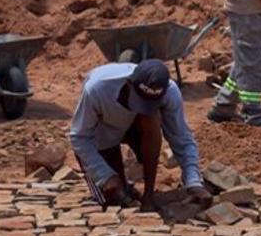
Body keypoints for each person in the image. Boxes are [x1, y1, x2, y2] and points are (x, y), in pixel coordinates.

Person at [69, 59, 212, 211]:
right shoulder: (98, 89)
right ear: (129, 84)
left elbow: (182, 138)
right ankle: (123, 184)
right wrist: (104, 176)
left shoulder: (170, 92)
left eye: (149, 105)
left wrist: (193, 181)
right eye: (139, 103)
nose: (143, 108)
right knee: (112, 198)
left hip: (137, 130)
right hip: (103, 133)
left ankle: (148, 195)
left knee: (151, 119)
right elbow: (79, 136)